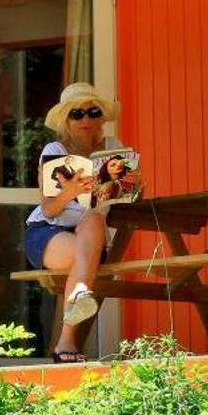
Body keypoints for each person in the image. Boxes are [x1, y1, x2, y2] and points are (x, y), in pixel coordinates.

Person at [20, 81, 121, 363]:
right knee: (86, 249)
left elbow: (132, 198)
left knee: (92, 219)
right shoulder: (54, 150)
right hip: (49, 232)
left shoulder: (113, 149)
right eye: (77, 114)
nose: (86, 119)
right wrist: (71, 192)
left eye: (92, 112)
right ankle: (70, 327)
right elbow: (49, 209)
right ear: (66, 119)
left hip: (91, 235)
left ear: (101, 116)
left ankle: (76, 302)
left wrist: (137, 183)